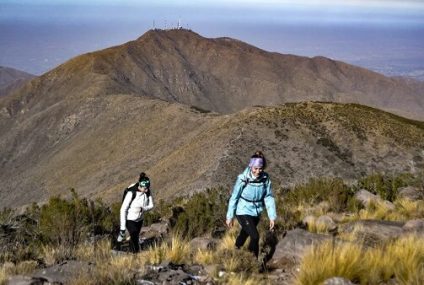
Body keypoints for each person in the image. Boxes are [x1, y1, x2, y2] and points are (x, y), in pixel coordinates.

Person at [226, 151, 277, 258]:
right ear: (251, 166)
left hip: (256, 211)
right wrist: (230, 216)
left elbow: (268, 197)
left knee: (244, 233)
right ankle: (252, 260)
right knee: (255, 236)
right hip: (243, 210)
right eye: (255, 168)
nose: (258, 171)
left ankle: (236, 251)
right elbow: (234, 197)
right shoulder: (243, 179)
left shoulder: (265, 179)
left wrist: (272, 217)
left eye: (260, 168)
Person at [118, 172, 154, 253]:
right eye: (145, 188)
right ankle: (136, 254)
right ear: (140, 186)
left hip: (139, 220)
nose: (147, 190)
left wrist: (144, 208)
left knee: (135, 236)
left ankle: (130, 252)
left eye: (148, 188)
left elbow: (151, 205)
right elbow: (123, 209)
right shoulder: (131, 193)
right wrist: (122, 228)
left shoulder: (147, 191)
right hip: (129, 219)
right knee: (134, 236)